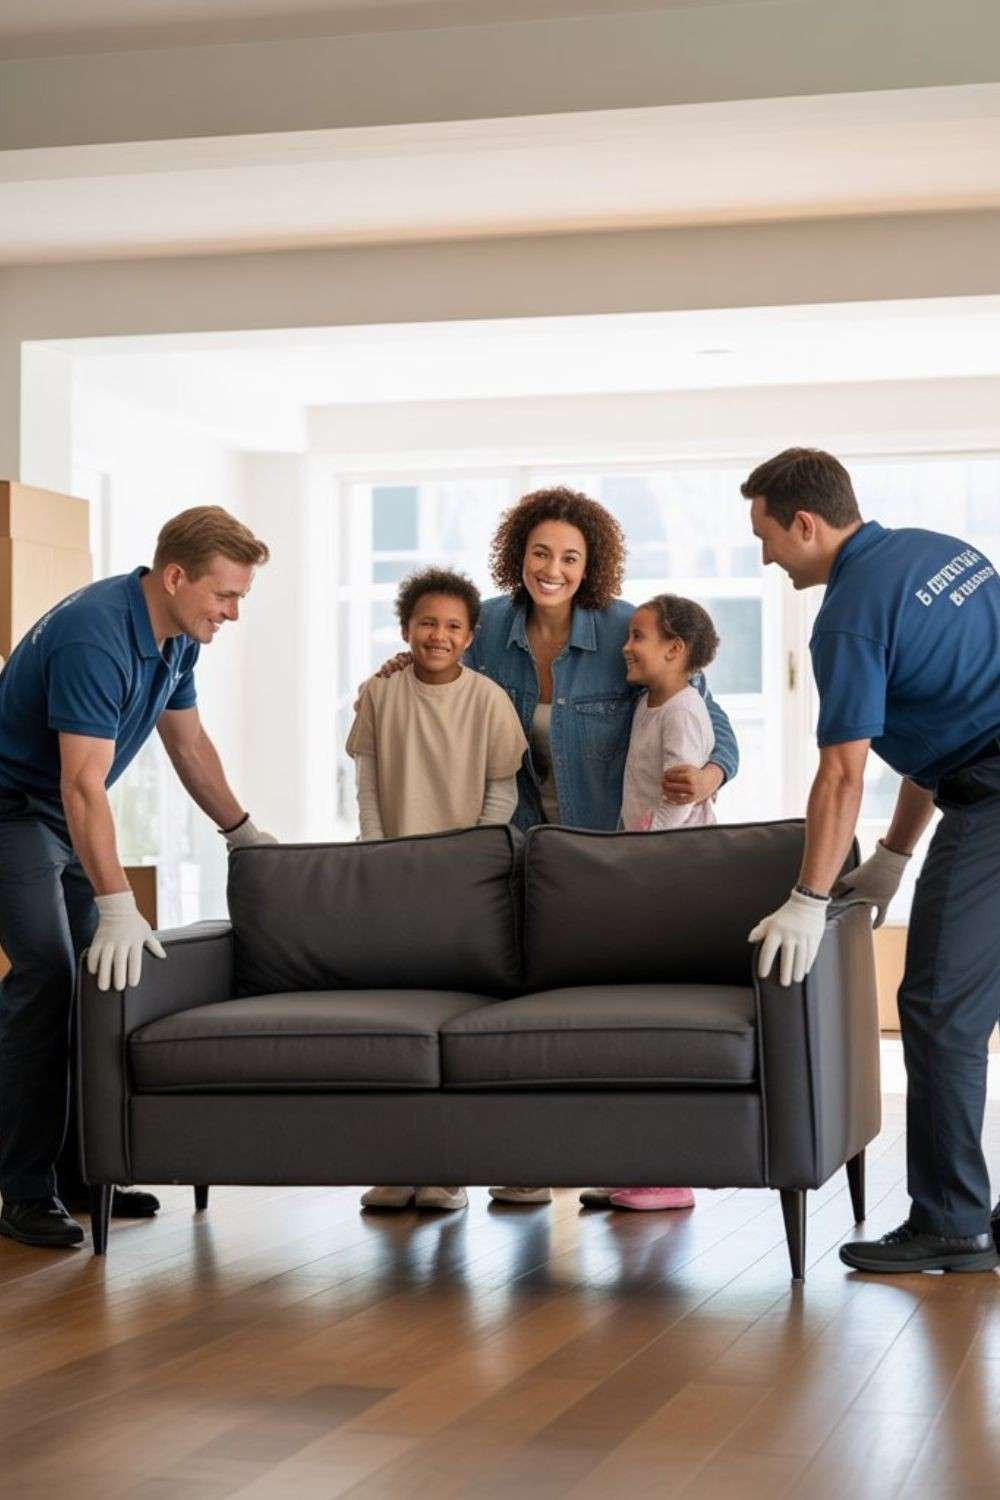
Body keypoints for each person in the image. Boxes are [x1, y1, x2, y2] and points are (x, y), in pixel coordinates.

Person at [373, 486, 739, 1207]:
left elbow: (710, 717)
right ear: (517, 555)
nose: (553, 568)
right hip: (497, 846)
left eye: (570, 557)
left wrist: (708, 774)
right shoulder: (487, 623)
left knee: (564, 1019)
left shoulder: (624, 633)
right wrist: (396, 672)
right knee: (482, 1002)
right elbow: (434, 668)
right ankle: (440, 1165)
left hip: (596, 853)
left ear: (590, 564)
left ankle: (533, 1161)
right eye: (540, 552)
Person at [744, 448, 1000, 1274]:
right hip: (980, 773)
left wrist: (808, 897)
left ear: (806, 524)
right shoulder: (943, 551)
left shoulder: (848, 615)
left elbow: (844, 770)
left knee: (936, 1007)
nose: (766, 556)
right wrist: (894, 855)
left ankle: (951, 1224)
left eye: (767, 536)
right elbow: (941, 729)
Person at [0, 506, 275, 1251]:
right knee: (49, 973)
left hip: (57, 811)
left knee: (97, 986)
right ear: (177, 576)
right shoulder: (97, 636)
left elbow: (187, 745)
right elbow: (81, 786)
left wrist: (242, 832)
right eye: (226, 595)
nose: (233, 612)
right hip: (12, 813)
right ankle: (21, 1189)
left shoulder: (178, 639)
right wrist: (119, 903)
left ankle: (80, 1174)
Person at [347, 566, 528, 1212]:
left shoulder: (488, 701)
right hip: (391, 880)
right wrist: (378, 853)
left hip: (466, 886)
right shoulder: (380, 694)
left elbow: (502, 789)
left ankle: (448, 1172)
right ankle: (398, 1165)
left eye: (453, 626)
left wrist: (469, 857)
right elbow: (366, 782)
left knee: (455, 1034)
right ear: (405, 628)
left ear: (471, 635)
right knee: (394, 1033)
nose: (438, 635)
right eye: (427, 623)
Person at [588, 593, 720, 1213]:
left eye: (638, 636)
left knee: (660, 1026)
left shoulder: (686, 710)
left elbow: (679, 797)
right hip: (643, 872)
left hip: (668, 878)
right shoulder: (650, 703)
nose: (626, 646)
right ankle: (638, 1166)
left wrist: (641, 851)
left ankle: (669, 1174)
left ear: (676, 650)